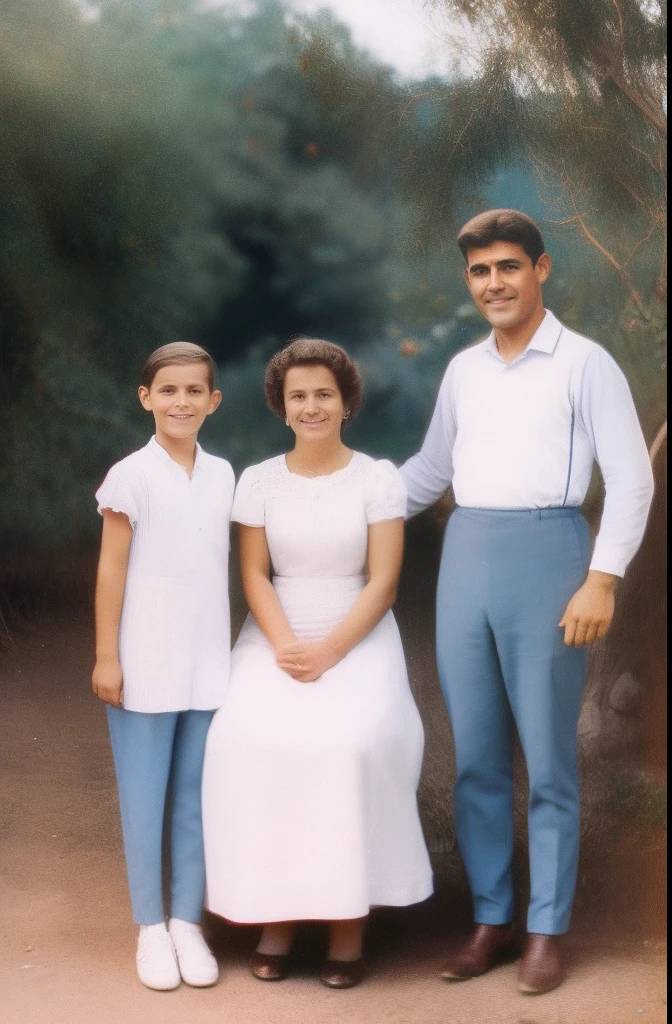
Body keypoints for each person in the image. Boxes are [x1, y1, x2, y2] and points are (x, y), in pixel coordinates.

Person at [400, 210, 654, 994]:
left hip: (551, 556)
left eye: (508, 267)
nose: (494, 284)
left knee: (546, 760)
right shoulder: (464, 371)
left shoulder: (585, 364)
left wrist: (602, 578)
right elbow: (425, 474)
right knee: (475, 757)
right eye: (479, 271)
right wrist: (329, 498)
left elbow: (634, 479)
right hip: (467, 557)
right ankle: (491, 920)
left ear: (541, 270)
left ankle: (546, 928)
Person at [202, 337, 433, 989]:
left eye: (323, 395)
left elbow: (383, 583)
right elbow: (253, 574)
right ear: (281, 405)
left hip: (356, 631)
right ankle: (275, 917)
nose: (311, 407)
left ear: (345, 402)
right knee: (245, 737)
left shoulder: (376, 478)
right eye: (298, 396)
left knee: (345, 743)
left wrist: (330, 649)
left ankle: (345, 926)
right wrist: (282, 645)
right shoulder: (259, 482)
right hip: (276, 629)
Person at [92, 342, 234, 991]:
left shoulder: (223, 474)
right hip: (144, 659)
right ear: (145, 397)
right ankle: (150, 926)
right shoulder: (131, 475)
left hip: (208, 659)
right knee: (144, 797)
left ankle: (187, 923)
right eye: (168, 390)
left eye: (193, 390)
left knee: (194, 798)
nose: (181, 401)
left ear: (213, 400)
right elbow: (112, 568)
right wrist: (107, 656)